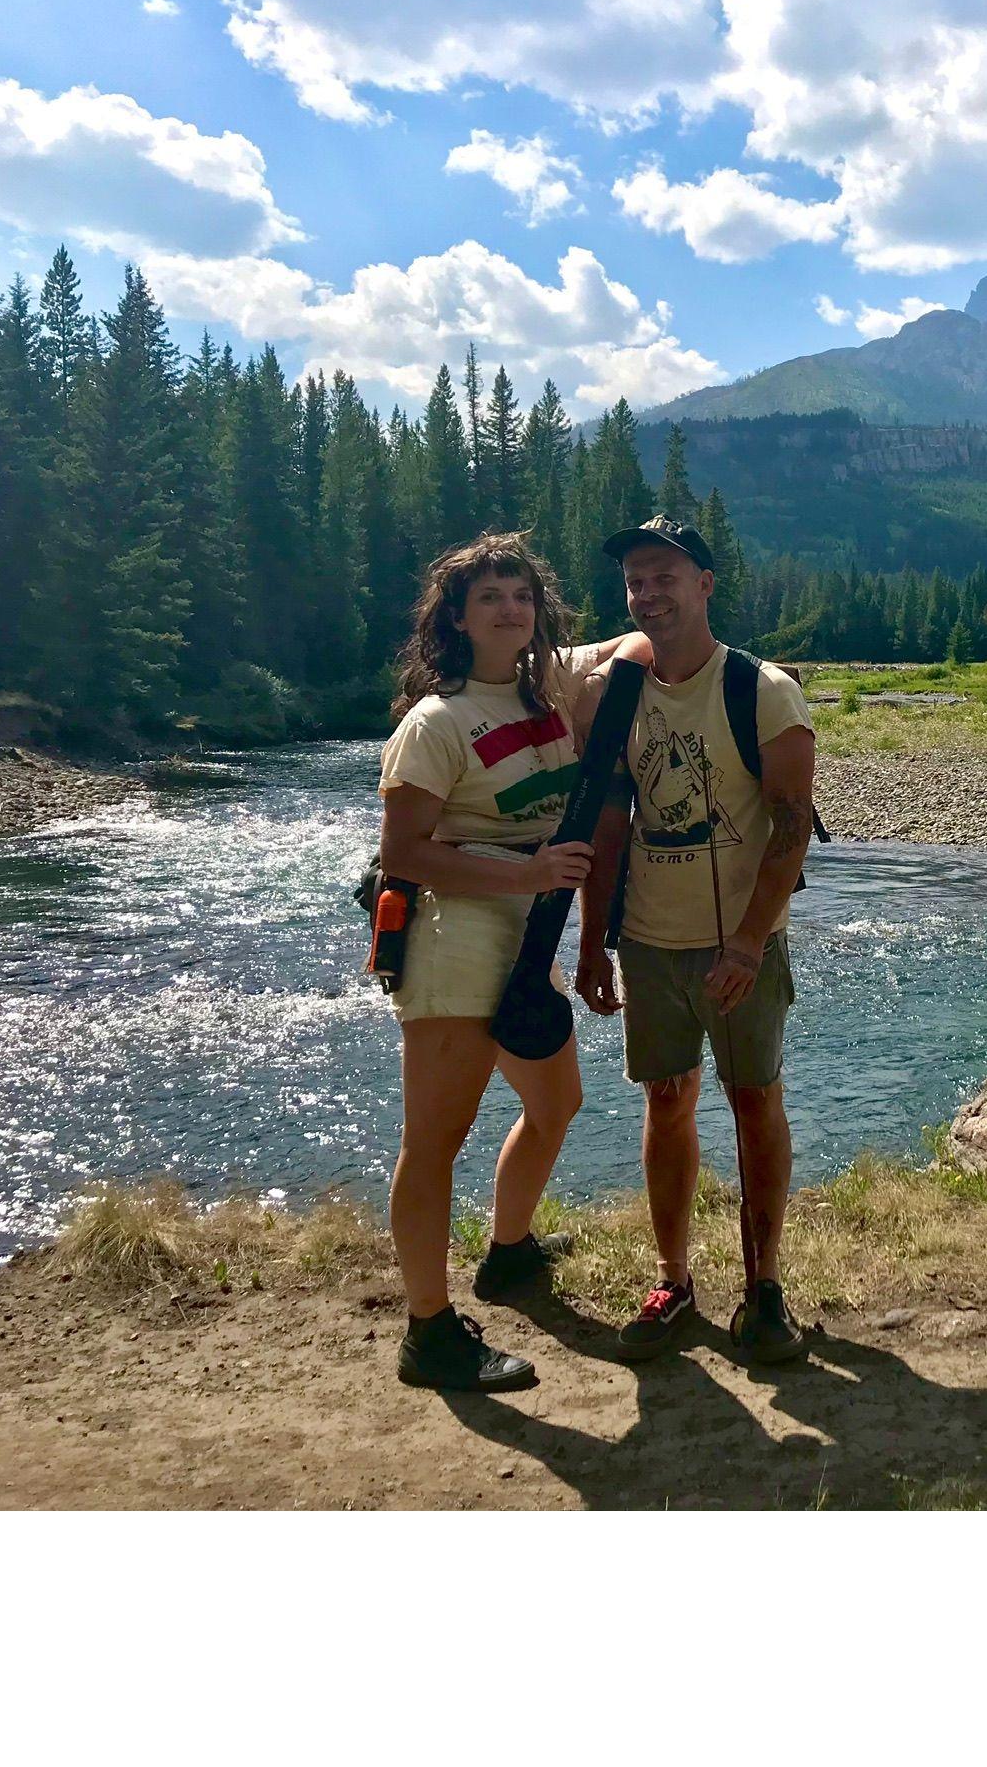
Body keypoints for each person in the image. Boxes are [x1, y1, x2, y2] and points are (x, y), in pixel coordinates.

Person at [376, 533, 623, 1393]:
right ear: (456, 617)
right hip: (452, 940)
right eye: (489, 597)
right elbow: (404, 854)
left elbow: (630, 650)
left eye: (521, 594)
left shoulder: (543, 696)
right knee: (435, 1142)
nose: (509, 609)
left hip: (529, 931)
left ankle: (508, 1253)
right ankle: (428, 1331)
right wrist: (523, 872)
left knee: (558, 1103)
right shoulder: (435, 723)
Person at [574, 515, 818, 1366]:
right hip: (649, 940)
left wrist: (751, 942)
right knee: (666, 1101)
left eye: (666, 576)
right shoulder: (615, 696)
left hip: (741, 945)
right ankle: (673, 1280)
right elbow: (608, 826)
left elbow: (791, 830)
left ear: (705, 584)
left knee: (755, 1100)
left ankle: (765, 1288)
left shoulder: (762, 691)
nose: (649, 592)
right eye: (637, 580)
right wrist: (591, 942)